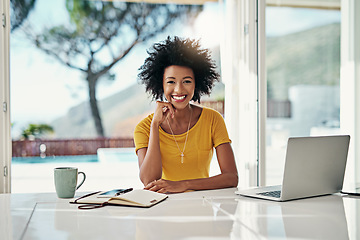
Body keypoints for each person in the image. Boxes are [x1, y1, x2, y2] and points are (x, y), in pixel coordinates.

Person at [134, 36, 238, 193]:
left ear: (196, 84)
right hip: (161, 208)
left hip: (202, 206)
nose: (179, 90)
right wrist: (155, 126)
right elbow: (149, 181)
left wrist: (184, 184)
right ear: (161, 84)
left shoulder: (212, 119)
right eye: (171, 82)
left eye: (187, 81)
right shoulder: (144, 128)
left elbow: (231, 178)